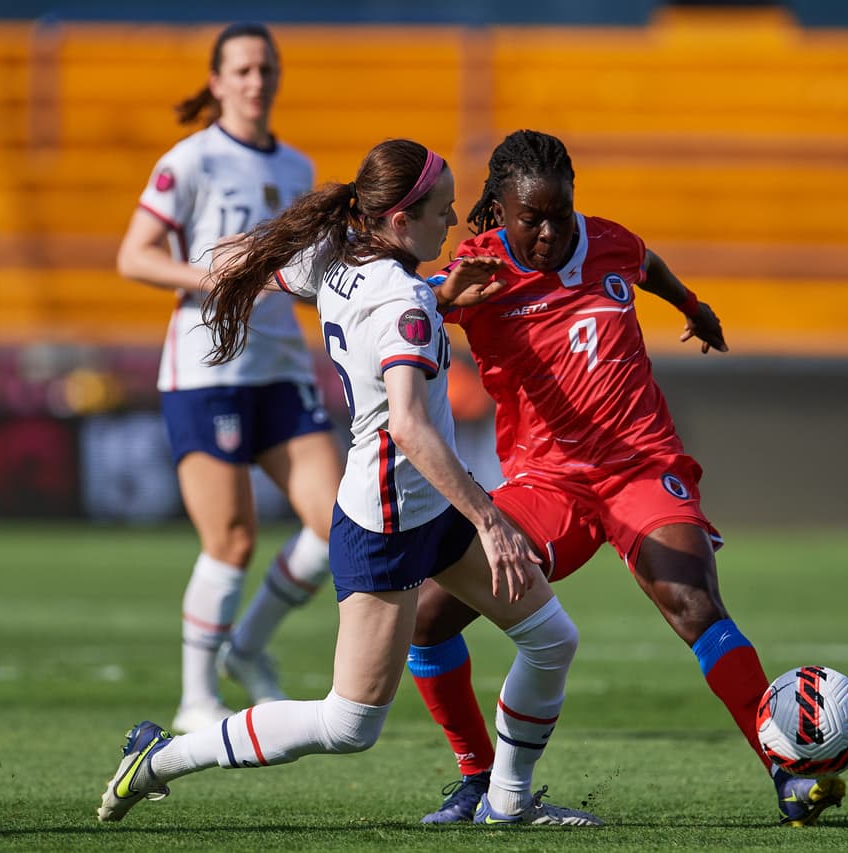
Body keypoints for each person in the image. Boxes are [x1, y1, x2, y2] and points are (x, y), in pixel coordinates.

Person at [97, 138, 601, 827]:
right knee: (348, 723)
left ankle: (507, 801)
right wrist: (491, 520)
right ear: (400, 221)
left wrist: (442, 293)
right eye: (442, 210)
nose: (453, 222)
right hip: (387, 521)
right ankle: (159, 757)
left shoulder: (339, 255)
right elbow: (410, 427)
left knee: (551, 638)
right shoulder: (402, 302)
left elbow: (269, 265)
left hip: (428, 506)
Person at [406, 129, 846, 827]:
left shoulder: (607, 241)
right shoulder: (477, 266)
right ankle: (477, 777)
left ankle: (787, 769)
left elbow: (649, 265)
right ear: (501, 208)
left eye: (561, 213)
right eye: (533, 219)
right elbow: (407, 315)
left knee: (693, 601)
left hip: (640, 466)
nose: (550, 232)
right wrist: (444, 297)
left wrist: (693, 307)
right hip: (547, 483)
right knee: (427, 613)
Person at [115, 22, 343, 733]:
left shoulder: (298, 167)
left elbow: (305, 273)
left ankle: (246, 646)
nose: (256, 81)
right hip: (207, 368)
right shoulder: (192, 161)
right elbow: (134, 256)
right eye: (242, 70)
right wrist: (210, 280)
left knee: (338, 525)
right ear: (217, 82)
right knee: (232, 539)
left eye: (265, 68)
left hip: (278, 366)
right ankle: (194, 697)